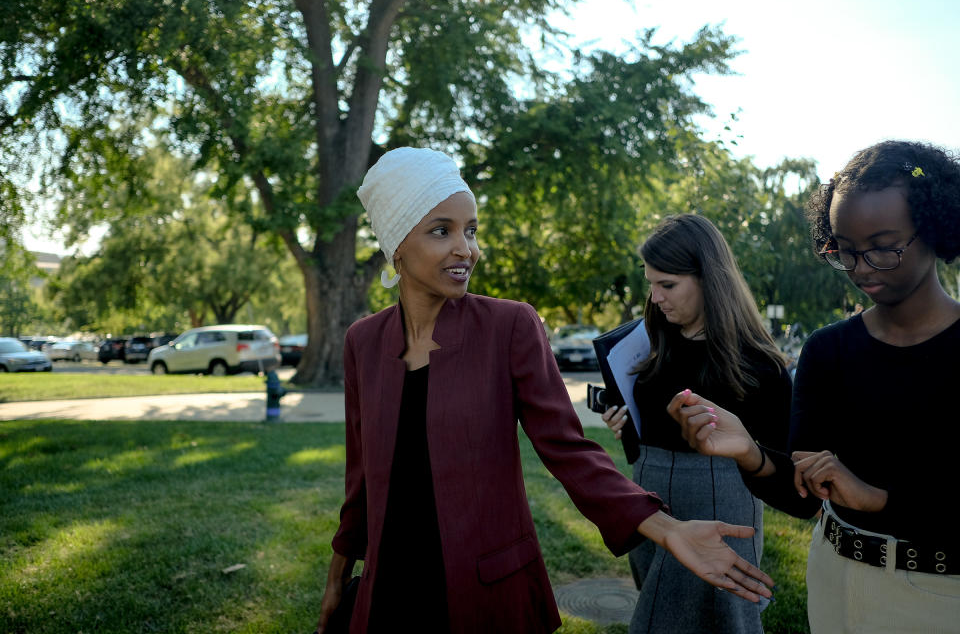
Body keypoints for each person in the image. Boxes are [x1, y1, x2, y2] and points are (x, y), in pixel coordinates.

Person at [315, 147, 774, 634]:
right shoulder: (362, 342)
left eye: (471, 230)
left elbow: (569, 451)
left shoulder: (509, 326)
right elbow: (360, 480)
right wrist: (336, 582)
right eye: (441, 230)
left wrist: (667, 528)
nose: (466, 248)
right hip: (392, 593)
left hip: (486, 594)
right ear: (396, 244)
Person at [669, 141, 960, 633]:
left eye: (883, 247)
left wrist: (880, 499)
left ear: (935, 227)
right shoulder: (829, 351)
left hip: (939, 593)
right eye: (844, 251)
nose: (861, 268)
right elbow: (806, 495)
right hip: (835, 576)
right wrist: (750, 453)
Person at [600, 214, 792, 633]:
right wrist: (627, 428)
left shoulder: (759, 366)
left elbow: (783, 470)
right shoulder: (653, 348)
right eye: (650, 284)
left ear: (708, 279)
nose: (654, 298)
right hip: (650, 508)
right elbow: (649, 434)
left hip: (719, 507)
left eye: (666, 285)